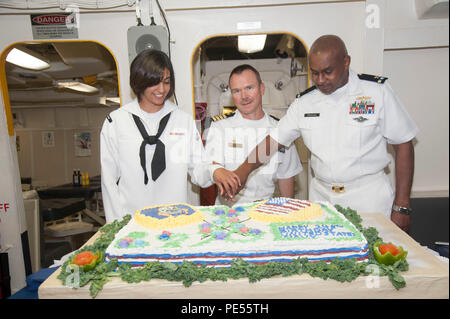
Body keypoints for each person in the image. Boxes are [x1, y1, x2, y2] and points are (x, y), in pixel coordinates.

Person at [217, 35, 418, 233]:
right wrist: (242, 172)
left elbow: (404, 145)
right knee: (326, 261)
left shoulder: (376, 93)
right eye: (315, 73)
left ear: (346, 62)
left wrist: (402, 205)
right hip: (322, 198)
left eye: (327, 72)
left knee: (375, 261)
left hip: (368, 196)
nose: (320, 80)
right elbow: (273, 142)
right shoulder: (305, 103)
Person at [100, 49, 240, 222]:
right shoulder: (116, 122)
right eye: (154, 82)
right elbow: (108, 181)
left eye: (166, 82)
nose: (162, 89)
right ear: (139, 81)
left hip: (176, 220)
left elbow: (197, 169)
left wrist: (214, 171)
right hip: (132, 221)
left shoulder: (182, 121)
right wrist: (116, 226)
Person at [204, 64, 302, 205]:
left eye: (249, 88)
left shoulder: (280, 130)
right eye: (237, 91)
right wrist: (218, 172)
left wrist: (288, 214)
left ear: (262, 89)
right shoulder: (220, 127)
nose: (244, 96)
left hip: (265, 209)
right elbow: (210, 167)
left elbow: (286, 176)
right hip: (229, 210)